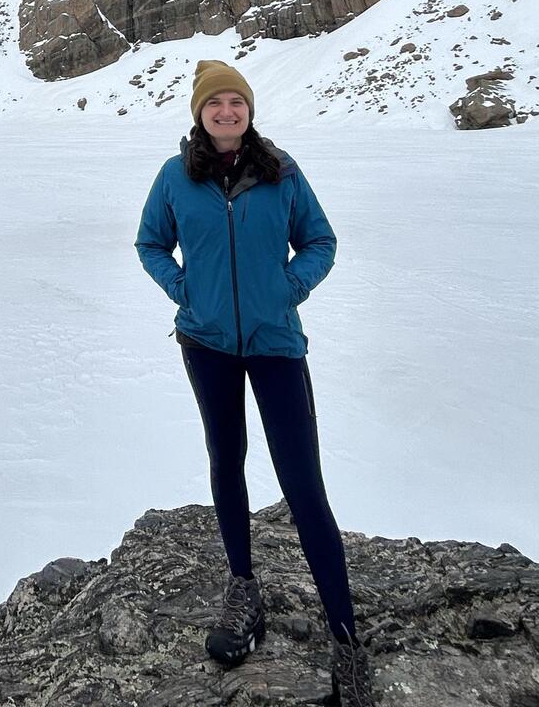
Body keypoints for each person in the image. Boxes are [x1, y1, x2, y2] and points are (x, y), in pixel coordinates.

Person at [135, 59, 374, 705]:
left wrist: (285, 289)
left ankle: (346, 637)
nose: (226, 112)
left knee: (303, 486)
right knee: (227, 462)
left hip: (274, 347)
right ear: (199, 113)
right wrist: (186, 291)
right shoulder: (175, 177)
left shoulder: (281, 172)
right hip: (207, 345)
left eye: (236, 102)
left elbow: (320, 241)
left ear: (249, 110)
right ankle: (244, 589)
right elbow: (150, 244)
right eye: (215, 104)